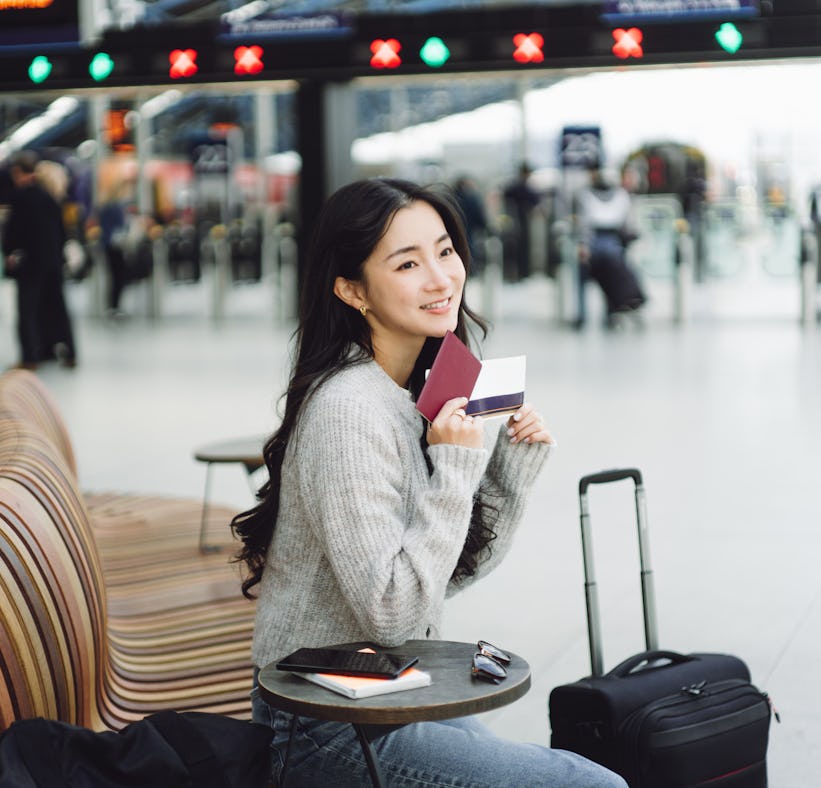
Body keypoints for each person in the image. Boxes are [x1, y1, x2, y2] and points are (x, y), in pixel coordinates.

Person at [234, 177, 627, 788]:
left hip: (383, 696)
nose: (441, 278)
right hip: (322, 727)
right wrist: (458, 468)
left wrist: (506, 472)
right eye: (408, 263)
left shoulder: (410, 386)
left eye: (445, 251)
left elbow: (440, 580)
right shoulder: (349, 410)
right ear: (351, 289)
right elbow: (393, 614)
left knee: (582, 775)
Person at [2, 150, 77, 369]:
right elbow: (62, 232)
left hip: (29, 264)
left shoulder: (21, 198)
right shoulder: (49, 198)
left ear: (18, 172)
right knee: (57, 308)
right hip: (53, 261)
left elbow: (14, 231)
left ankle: (29, 357)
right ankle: (68, 352)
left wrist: (9, 252)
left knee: (27, 311)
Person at [574, 167, 645, 330]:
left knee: (604, 273)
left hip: (598, 246)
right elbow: (628, 226)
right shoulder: (620, 196)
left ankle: (592, 315)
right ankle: (618, 308)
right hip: (611, 245)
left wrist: (584, 246)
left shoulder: (586, 196)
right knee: (613, 270)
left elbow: (584, 225)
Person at [502, 162, 540, 281]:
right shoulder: (524, 188)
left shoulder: (514, 187)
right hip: (519, 223)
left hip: (518, 223)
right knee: (518, 249)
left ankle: (518, 274)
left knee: (517, 249)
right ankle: (520, 273)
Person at [97, 186, 129, 317]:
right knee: (118, 276)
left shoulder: (104, 207)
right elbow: (122, 226)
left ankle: (111, 305)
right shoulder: (116, 208)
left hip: (106, 245)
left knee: (112, 276)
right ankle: (115, 306)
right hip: (115, 246)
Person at [453, 175, 489, 274]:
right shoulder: (472, 198)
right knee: (469, 249)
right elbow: (479, 215)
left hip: (455, 229)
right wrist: (484, 226)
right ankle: (470, 271)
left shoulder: (452, 197)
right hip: (469, 229)